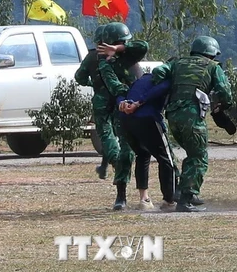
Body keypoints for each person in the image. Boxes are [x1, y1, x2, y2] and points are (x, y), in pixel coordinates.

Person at [151, 36, 233, 213]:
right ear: (211, 53)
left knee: (191, 153)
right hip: (193, 117)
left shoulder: (177, 63)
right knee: (199, 157)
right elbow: (225, 92)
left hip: (173, 116)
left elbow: (158, 71)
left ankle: (183, 192)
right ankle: (185, 198)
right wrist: (223, 105)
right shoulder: (212, 67)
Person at [96, 21, 148, 210]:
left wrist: (118, 48)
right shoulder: (105, 63)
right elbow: (113, 84)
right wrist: (127, 100)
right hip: (124, 107)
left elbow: (143, 45)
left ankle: (172, 192)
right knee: (126, 152)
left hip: (143, 106)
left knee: (161, 147)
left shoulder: (131, 54)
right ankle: (121, 195)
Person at [116, 72, 180, 210]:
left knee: (142, 155)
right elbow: (161, 89)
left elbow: (122, 93)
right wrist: (139, 102)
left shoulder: (141, 80)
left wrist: (121, 103)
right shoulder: (167, 79)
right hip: (147, 119)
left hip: (126, 120)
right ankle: (169, 201)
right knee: (166, 159)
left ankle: (144, 199)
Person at [74, 25, 117, 180]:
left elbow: (79, 77)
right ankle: (104, 167)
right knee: (115, 135)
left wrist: (92, 83)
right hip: (121, 99)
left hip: (102, 101)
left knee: (106, 135)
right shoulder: (120, 55)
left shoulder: (93, 56)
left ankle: (117, 162)